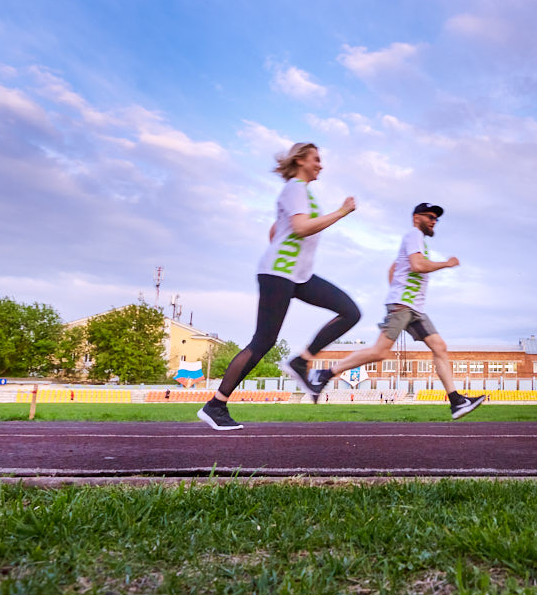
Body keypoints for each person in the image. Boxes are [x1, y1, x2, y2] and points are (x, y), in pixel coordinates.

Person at [198, 142, 361, 431]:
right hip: (278, 274)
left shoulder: (302, 193)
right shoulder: (295, 188)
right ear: (300, 161)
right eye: (316, 159)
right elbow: (300, 228)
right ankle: (216, 405)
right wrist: (341, 212)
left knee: (350, 312)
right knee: (263, 342)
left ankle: (301, 362)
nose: (320, 165)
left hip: (299, 276)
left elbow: (277, 230)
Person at [322, 203, 485, 420]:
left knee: (439, 347)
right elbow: (418, 266)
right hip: (403, 306)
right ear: (417, 218)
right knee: (380, 352)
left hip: (414, 309)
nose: (434, 221)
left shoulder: (418, 242)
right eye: (430, 217)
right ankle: (325, 374)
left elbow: (394, 268)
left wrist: (396, 288)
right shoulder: (414, 235)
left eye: (436, 218)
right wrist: (446, 264)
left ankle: (457, 401)